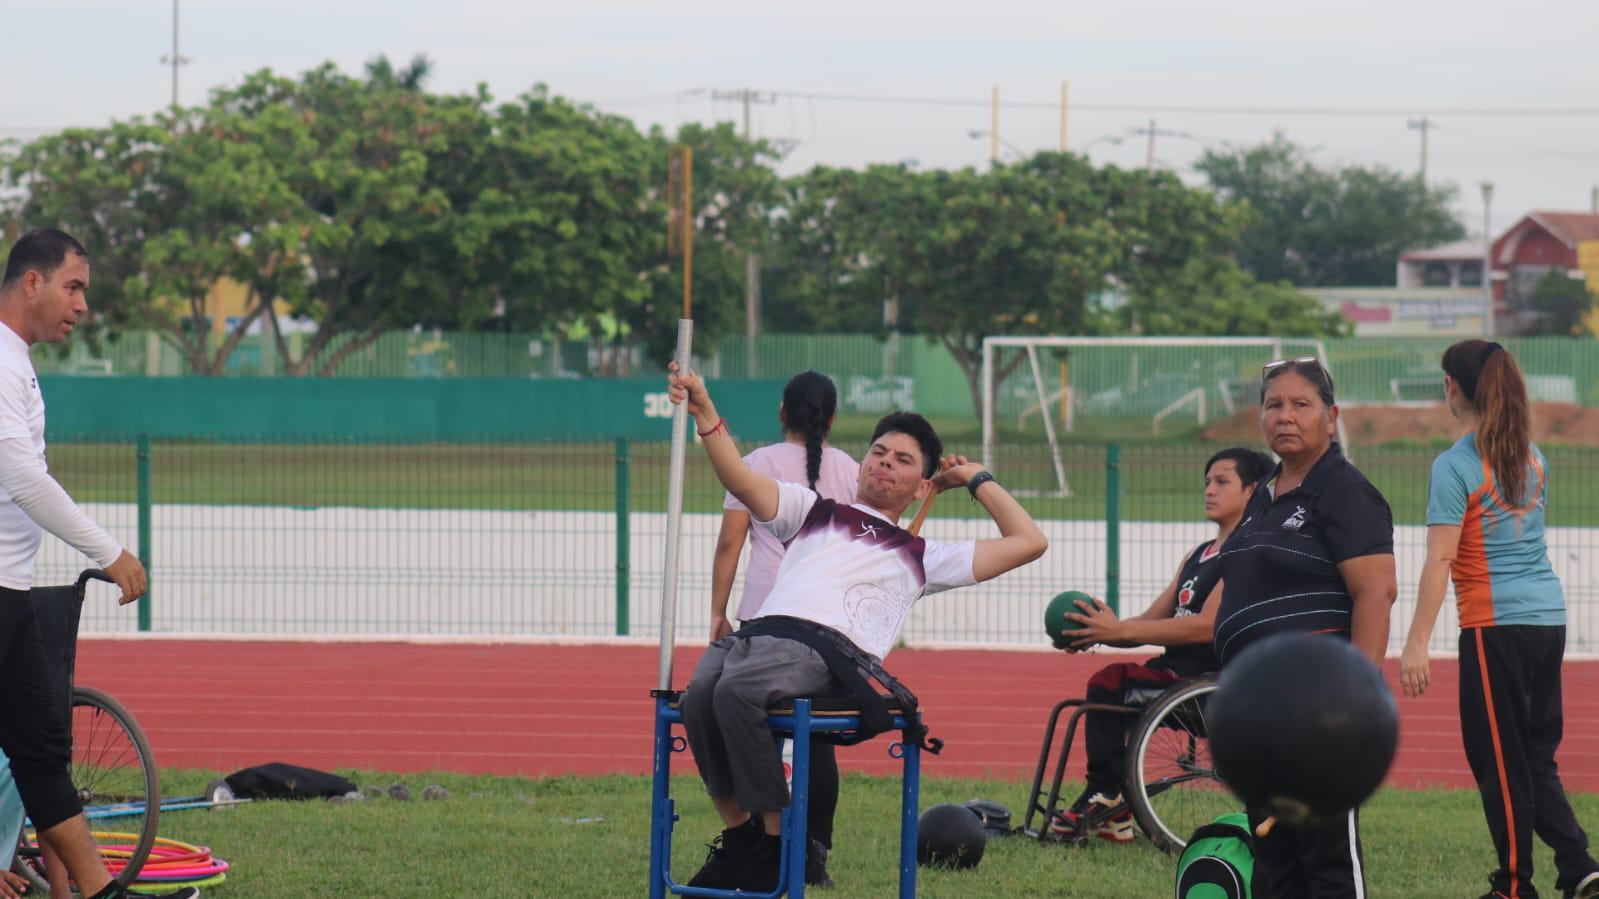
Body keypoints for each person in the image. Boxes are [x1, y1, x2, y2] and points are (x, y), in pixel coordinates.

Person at [667, 362, 1047, 893]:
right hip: (760, 633)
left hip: (825, 653)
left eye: (904, 461)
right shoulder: (813, 509)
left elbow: (1029, 541)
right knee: (698, 695)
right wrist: (705, 411)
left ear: (922, 486)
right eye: (880, 453)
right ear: (863, 460)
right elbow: (739, 479)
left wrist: (974, 478)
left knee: (736, 690)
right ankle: (741, 841)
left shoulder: (921, 555)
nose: (885, 464)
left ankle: (778, 848)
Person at [0, 230, 195, 899]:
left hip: (9, 592)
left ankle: (95, 890)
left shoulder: (16, 360)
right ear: (32, 282)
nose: (82, 305)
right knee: (36, 746)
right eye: (73, 286)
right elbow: (21, 475)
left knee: (41, 750)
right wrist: (107, 550)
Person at [1399, 341, 1599, 899]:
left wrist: (1415, 643)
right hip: (1546, 621)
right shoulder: (1533, 456)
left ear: (1453, 388)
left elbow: (1440, 559)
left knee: (1499, 762)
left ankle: (1513, 887)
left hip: (1496, 628)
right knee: (1534, 757)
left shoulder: (1455, 464)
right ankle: (1580, 866)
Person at [1212, 357, 1397, 898]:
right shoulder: (1263, 494)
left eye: (1301, 405)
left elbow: (1376, 593)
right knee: (1275, 866)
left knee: (1327, 864)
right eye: (1274, 405)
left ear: (1331, 416)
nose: (1285, 416)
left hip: (1318, 712)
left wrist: (1353, 701)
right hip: (1258, 712)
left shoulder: (1344, 491)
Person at [1050, 446, 1272, 843]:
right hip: (1178, 675)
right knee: (1108, 683)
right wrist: (1099, 629)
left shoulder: (1250, 552)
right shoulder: (1198, 554)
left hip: (1215, 680)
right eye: (1207, 482)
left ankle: (1106, 793)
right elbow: (1151, 621)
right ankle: (1113, 811)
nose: (1209, 490)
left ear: (1253, 491)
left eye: (1222, 482)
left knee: (1110, 683)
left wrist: (1119, 633)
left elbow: (1209, 627)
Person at [708, 369, 857, 886]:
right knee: (815, 738)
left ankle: (761, 837)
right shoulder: (853, 471)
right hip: (824, 623)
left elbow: (731, 543)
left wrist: (717, 611)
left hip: (765, 611)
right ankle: (813, 848)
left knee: (748, 722)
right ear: (832, 418)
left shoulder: (757, 464)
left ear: (781, 412)